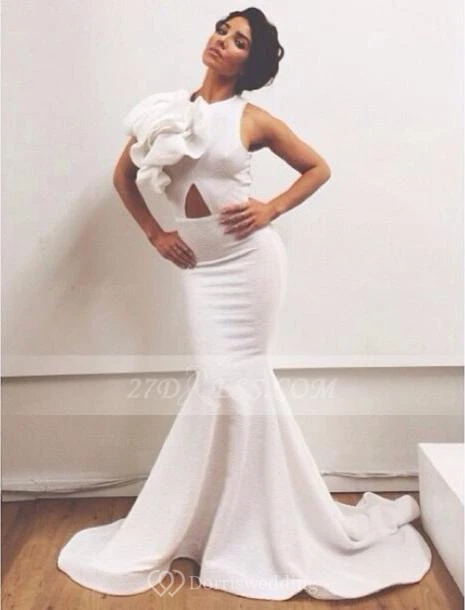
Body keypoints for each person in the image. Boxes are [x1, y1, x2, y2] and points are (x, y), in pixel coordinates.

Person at [57, 7, 432, 600]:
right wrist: (155, 234)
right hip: (201, 269)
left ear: (249, 62)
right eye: (222, 30)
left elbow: (317, 168)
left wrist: (271, 208)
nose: (223, 42)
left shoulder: (252, 118)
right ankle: (212, 518)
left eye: (238, 41)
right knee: (220, 384)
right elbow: (123, 178)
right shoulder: (163, 113)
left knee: (240, 382)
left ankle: (258, 525)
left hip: (251, 264)